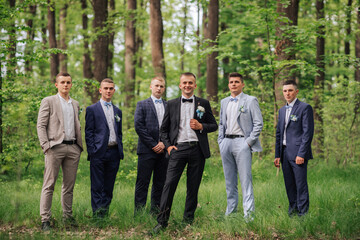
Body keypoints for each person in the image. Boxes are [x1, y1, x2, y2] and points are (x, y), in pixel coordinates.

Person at [151, 72, 218, 234]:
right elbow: (164, 130)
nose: (187, 85)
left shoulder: (203, 103)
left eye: (190, 83)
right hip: (177, 149)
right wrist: (168, 147)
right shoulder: (172, 104)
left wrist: (201, 127)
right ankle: (162, 222)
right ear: (180, 85)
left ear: (195, 85)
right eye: (185, 83)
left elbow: (214, 125)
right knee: (169, 185)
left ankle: (188, 221)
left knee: (193, 187)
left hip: (197, 149)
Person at [37, 72, 83, 231]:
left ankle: (67, 219)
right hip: (54, 148)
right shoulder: (48, 101)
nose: (66, 85)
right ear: (56, 84)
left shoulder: (75, 104)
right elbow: (41, 125)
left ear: (71, 84)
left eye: (68, 82)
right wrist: (46, 145)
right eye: (62, 82)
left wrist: (79, 146)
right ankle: (45, 220)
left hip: (73, 148)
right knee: (49, 184)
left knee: (68, 186)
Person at [218, 72, 263, 220]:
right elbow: (221, 124)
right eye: (231, 82)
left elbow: (258, 124)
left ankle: (249, 216)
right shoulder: (224, 102)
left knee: (245, 180)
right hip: (226, 142)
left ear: (242, 84)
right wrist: (221, 141)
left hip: (242, 142)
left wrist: (248, 143)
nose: (233, 84)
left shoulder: (250, 100)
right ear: (228, 84)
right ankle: (230, 213)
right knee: (229, 181)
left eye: (237, 82)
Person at [274, 80, 314, 217]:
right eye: (285, 91)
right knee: (289, 185)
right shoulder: (281, 110)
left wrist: (301, 153)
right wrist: (277, 155)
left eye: (290, 90)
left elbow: (307, 133)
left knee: (300, 185)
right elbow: (279, 133)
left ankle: (303, 215)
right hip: (284, 154)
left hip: (298, 154)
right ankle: (293, 213)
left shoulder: (305, 108)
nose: (287, 93)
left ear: (296, 92)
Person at [85, 78, 124, 218]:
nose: (108, 91)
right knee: (97, 185)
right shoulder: (92, 109)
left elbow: (119, 133)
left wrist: (120, 149)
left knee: (109, 186)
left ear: (114, 90)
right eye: (106, 88)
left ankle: (105, 213)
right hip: (99, 152)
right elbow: (88, 132)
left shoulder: (118, 111)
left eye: (111, 88)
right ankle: (97, 215)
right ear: (100, 90)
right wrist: (92, 151)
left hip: (114, 152)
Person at [134, 76, 168, 215]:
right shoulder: (142, 104)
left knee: (160, 183)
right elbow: (139, 126)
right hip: (146, 150)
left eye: (161, 86)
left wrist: (163, 144)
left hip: (164, 150)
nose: (159, 88)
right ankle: (139, 213)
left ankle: (155, 212)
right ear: (151, 87)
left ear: (164, 88)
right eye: (156, 85)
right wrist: (154, 144)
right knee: (143, 183)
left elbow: (172, 127)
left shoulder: (169, 105)